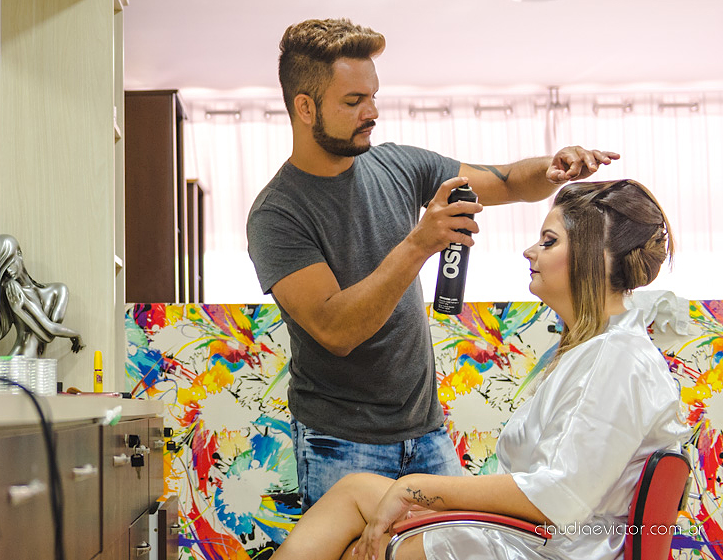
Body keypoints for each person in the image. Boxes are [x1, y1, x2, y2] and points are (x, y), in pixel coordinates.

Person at [247, 18, 620, 508]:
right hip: (340, 444)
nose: (372, 112)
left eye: (373, 96)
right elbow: (336, 329)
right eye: (354, 101)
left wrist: (552, 168)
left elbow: (507, 181)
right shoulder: (277, 213)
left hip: (427, 434)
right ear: (304, 107)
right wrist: (421, 242)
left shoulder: (399, 165)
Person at [270, 178, 689, 560]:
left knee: (363, 548)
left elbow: (557, 499)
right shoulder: (600, 349)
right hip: (540, 536)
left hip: (549, 549)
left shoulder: (615, 359)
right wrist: (420, 494)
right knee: (354, 490)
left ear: (592, 257)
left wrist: (423, 489)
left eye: (548, 241)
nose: (529, 251)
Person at [0, 233, 83, 357]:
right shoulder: (14, 292)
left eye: (9, 263)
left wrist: (20, 308)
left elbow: (50, 332)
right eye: (3, 269)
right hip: (18, 363)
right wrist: (18, 310)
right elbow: (47, 336)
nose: (8, 271)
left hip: (36, 367)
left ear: (19, 254)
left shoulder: (59, 290)